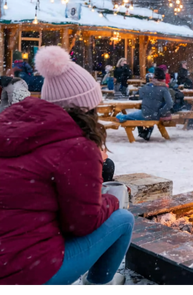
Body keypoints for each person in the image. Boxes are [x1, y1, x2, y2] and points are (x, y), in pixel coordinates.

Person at [0, 45, 134, 289]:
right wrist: (113, 200)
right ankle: (97, 286)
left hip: (8, 256)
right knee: (124, 219)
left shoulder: (10, 127)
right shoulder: (75, 147)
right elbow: (81, 224)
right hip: (25, 272)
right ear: (86, 108)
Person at [116, 68, 173, 141]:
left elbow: (140, 94)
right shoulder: (164, 88)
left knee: (123, 116)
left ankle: (120, 119)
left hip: (145, 113)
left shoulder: (148, 87)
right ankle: (144, 132)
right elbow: (170, 103)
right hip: (156, 115)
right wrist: (161, 112)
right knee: (134, 115)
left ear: (154, 77)